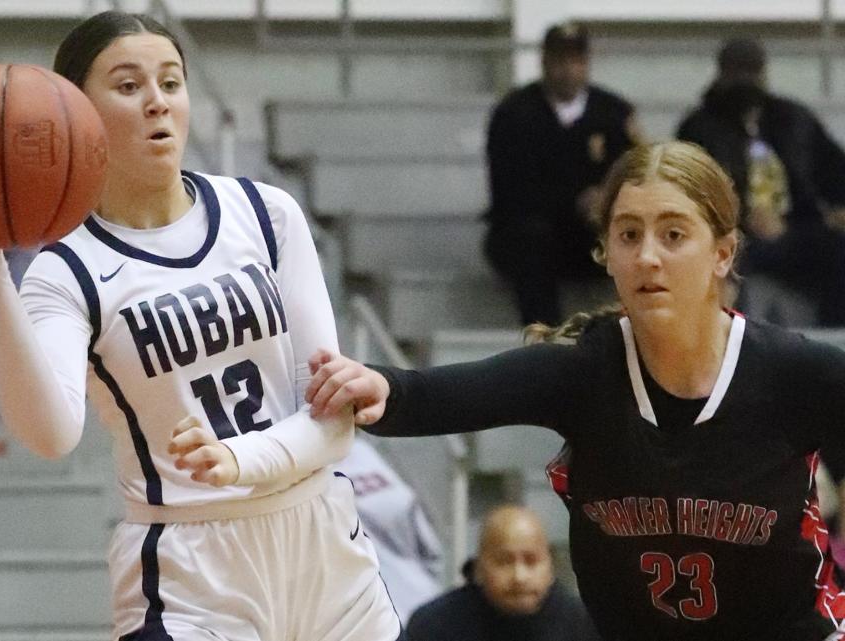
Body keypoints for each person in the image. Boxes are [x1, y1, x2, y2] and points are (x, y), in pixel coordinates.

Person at [0, 10, 400, 641]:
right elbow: (51, 434)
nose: (157, 103)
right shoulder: (65, 269)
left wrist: (239, 458)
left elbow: (335, 417)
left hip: (325, 546)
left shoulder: (266, 213)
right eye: (128, 86)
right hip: (188, 567)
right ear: (74, 114)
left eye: (171, 83)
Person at [306, 141, 845, 641]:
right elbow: (446, 393)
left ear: (723, 253)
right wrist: (383, 387)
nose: (648, 256)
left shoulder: (793, 372)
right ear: (607, 253)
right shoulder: (585, 372)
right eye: (629, 235)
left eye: (674, 234)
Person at [677, 37, 845, 327]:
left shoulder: (793, 119)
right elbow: (690, 193)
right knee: (723, 262)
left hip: (796, 229)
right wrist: (741, 217)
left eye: (751, 72)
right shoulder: (699, 128)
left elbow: (834, 171)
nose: (745, 81)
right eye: (737, 73)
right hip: (734, 237)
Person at [483, 21, 639, 325]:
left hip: (594, 232)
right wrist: (575, 201)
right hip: (535, 233)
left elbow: (635, 169)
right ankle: (544, 337)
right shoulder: (514, 114)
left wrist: (606, 202)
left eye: (576, 61)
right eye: (560, 61)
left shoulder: (613, 112)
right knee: (529, 240)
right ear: (544, 62)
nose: (568, 70)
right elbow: (508, 190)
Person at [406, 505, 600, 641]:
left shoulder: (587, 626)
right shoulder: (433, 627)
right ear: (479, 568)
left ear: (550, 565)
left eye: (531, 561)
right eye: (504, 561)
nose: (519, 576)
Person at [337, 436, 444, 624]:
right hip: (357, 621)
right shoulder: (295, 462)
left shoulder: (362, 452)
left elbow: (428, 547)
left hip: (417, 605)